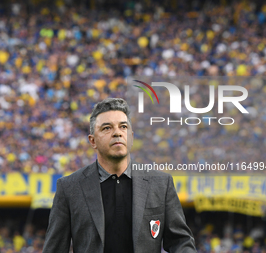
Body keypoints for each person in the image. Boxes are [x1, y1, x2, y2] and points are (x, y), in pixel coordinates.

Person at [43, 98, 197, 253]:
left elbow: (181, 242)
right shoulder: (69, 187)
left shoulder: (161, 184)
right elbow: (54, 248)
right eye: (107, 128)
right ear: (92, 141)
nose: (117, 133)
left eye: (123, 127)